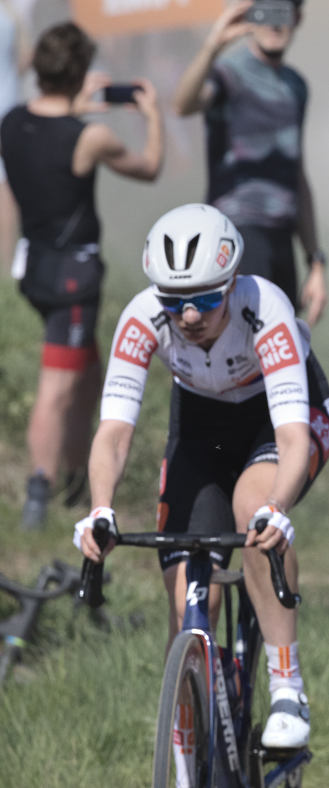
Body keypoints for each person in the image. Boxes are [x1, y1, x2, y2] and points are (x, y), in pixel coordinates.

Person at [74, 205, 329, 786]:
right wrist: (100, 508)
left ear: (232, 284)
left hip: (281, 420)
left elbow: (293, 438)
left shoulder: (265, 308)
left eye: (205, 300)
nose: (188, 315)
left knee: (252, 510)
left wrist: (278, 508)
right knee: (186, 599)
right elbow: (114, 433)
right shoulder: (143, 318)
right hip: (199, 427)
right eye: (173, 300)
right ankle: (186, 775)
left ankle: (286, 683)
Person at [2, 22, 163, 529]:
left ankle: (75, 475)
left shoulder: (11, 122)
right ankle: (39, 488)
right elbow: (150, 166)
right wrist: (152, 116)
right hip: (74, 274)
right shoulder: (89, 137)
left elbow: (49, 127)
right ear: (78, 74)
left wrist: (77, 102)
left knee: (88, 374)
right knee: (58, 385)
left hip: (35, 265)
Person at [173, 0, 328, 325]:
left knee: (283, 346)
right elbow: (183, 105)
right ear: (249, 16)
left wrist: (315, 261)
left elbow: (297, 175)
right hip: (238, 229)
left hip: (281, 234)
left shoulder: (296, 86)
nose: (274, 24)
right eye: (264, 11)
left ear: (297, 18)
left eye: (282, 12)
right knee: (257, 344)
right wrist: (213, 44)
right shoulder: (229, 72)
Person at [0, 0, 31, 271]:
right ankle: (6, 262)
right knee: (5, 187)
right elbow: (25, 59)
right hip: (6, 106)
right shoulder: (9, 12)